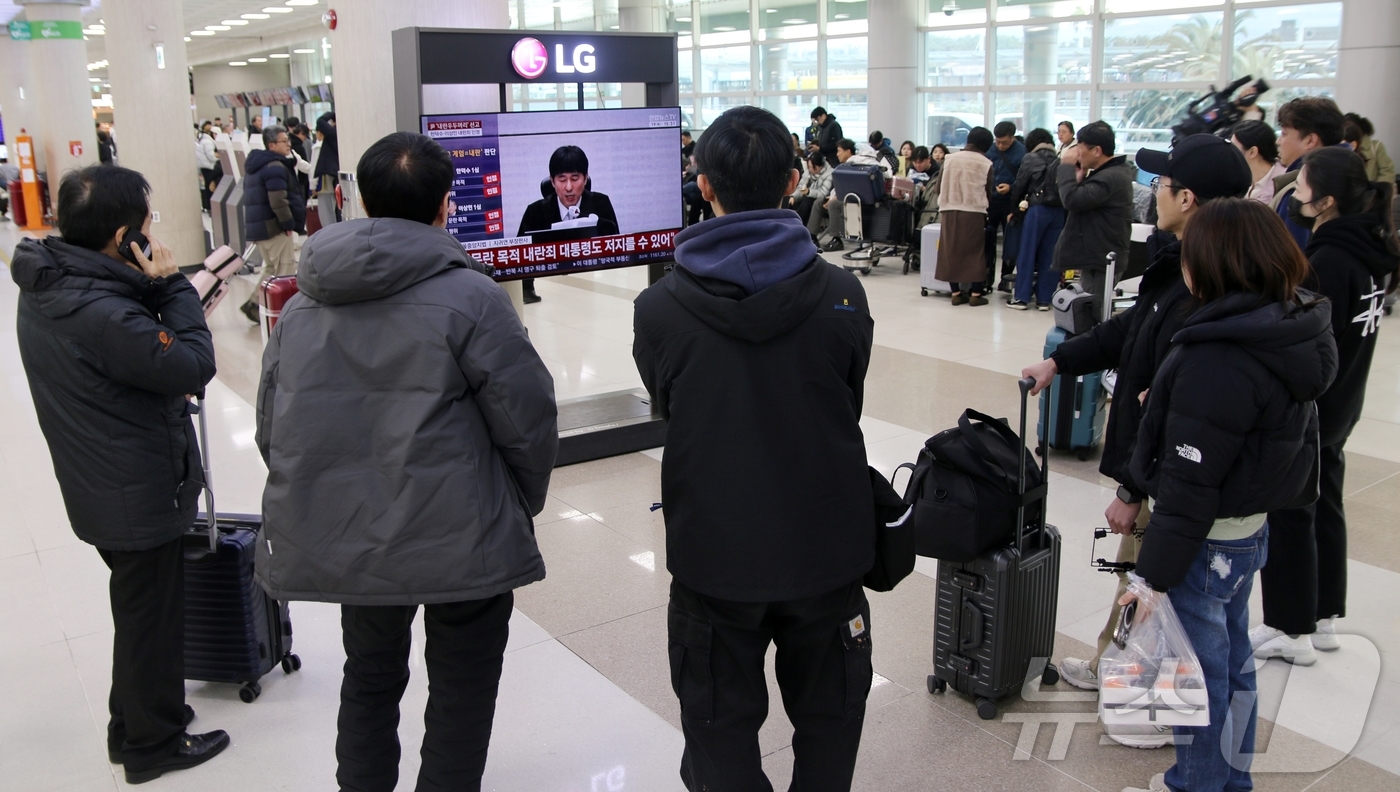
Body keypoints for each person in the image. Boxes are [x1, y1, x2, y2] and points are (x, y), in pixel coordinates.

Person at [254, 131, 556, 792]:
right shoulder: (474, 298)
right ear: (447, 204)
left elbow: (273, 428)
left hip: (353, 534)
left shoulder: (302, 307)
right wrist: (519, 500)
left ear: (362, 202)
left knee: (368, 676)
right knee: (462, 691)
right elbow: (528, 417)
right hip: (463, 531)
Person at [632, 105, 875, 792]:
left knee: (718, 733)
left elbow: (669, 406)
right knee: (830, 724)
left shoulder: (659, 309)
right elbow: (846, 398)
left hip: (715, 554)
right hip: (825, 546)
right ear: (793, 181)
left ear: (703, 185)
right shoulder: (843, 294)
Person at [1024, 135, 1253, 750]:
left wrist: (1131, 488)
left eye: (1163, 183)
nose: (1153, 193)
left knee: (1162, 591)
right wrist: (1060, 361)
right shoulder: (1182, 264)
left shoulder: (1210, 287)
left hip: (1174, 477)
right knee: (1138, 576)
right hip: (1161, 469)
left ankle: (1156, 707)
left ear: (1190, 198)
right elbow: (1132, 329)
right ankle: (1114, 664)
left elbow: (1186, 416)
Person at [11, 165, 225, 784]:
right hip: (134, 487)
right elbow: (192, 365)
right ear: (123, 236)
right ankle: (153, 745)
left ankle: (127, 726)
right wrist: (172, 287)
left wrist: (145, 289)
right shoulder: (104, 314)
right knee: (151, 620)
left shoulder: (50, 281)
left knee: (138, 611)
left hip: (101, 479)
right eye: (147, 222)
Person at [1118, 197, 1337, 792]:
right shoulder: (1289, 327)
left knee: (1198, 674)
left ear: (1216, 264)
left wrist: (1150, 577)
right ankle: (1229, 779)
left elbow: (1190, 484)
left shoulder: (1217, 355)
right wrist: (1174, 405)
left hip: (1204, 541)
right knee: (1234, 663)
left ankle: (1197, 784)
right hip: (1247, 529)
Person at [1251, 147, 1400, 666]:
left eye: (1303, 185)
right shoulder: (1370, 251)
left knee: (1291, 512)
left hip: (1315, 406)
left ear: (1328, 199)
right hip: (1344, 403)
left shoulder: (1328, 261)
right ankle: (1323, 615)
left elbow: (1305, 344)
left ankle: (1290, 628)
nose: (1295, 192)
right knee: (1325, 504)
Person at [517, 144, 620, 304]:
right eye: (562, 179)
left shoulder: (601, 203)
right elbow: (520, 256)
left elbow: (617, 248)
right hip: (550, 292)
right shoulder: (535, 211)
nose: (569, 187)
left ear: (585, 179)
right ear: (552, 181)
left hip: (597, 287)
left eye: (575, 178)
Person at [1055, 120, 1134, 317]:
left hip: (1102, 260)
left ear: (1097, 151)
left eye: (1080, 148)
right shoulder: (1111, 173)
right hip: (1097, 257)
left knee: (1090, 315)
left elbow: (1072, 200)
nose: (1076, 153)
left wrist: (1066, 167)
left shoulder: (1110, 177)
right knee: (1087, 310)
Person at [238, 125, 307, 323]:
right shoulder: (274, 167)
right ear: (272, 145)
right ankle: (283, 313)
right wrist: (288, 224)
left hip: (260, 227)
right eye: (284, 141)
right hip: (275, 227)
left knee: (270, 269)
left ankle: (255, 303)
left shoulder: (256, 165)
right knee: (285, 270)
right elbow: (278, 200)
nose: (288, 144)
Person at [1271, 96, 1346, 249]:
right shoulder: (1351, 172)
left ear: (1310, 140)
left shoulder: (1302, 191)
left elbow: (1290, 255)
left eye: (1284, 133)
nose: (1278, 141)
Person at [935, 126, 996, 305]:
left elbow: (938, 187)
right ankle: (976, 294)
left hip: (949, 209)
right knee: (975, 252)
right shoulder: (985, 163)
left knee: (950, 251)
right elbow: (988, 191)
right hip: (974, 212)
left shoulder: (949, 159)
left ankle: (956, 293)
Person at [1007, 128, 1065, 310]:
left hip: (1037, 209)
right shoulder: (1060, 159)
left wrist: (1015, 210)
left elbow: (1019, 185)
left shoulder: (1030, 158)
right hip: (1059, 210)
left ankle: (1022, 298)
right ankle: (1044, 300)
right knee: (1050, 256)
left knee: (1028, 252)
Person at [820, 138, 893, 252]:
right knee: (829, 202)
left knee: (834, 204)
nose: (837, 154)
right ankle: (836, 239)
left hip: (859, 199)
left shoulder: (853, 163)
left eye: (839, 151)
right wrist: (834, 195)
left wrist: (834, 196)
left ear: (848, 151)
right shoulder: (869, 162)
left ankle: (837, 239)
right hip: (863, 197)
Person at [986, 121, 1026, 292]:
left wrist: (1011, 187)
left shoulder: (1022, 152)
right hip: (991, 201)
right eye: (998, 142)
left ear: (1013, 138)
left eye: (1005, 142)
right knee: (987, 238)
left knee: (1010, 242)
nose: (1001, 145)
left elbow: (1025, 179)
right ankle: (986, 277)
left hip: (1010, 202)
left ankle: (1005, 278)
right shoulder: (990, 149)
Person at [1231, 120, 1286, 204]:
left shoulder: (1281, 185)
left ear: (1252, 152)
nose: (1229, 152)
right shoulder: (1241, 178)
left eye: (1234, 148)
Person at [1343, 112, 1396, 184]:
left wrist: (1378, 189)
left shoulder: (1376, 147)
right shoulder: (1340, 147)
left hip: (1373, 189)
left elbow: (1387, 171)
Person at [793, 151, 834, 241]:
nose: (810, 169)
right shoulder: (808, 172)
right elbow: (801, 187)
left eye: (812, 167)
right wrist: (793, 197)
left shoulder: (829, 174)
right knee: (789, 199)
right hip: (808, 196)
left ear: (819, 166)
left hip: (823, 199)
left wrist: (808, 192)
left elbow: (824, 193)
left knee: (808, 201)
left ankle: (798, 228)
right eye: (809, 167)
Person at [312, 112, 341, 230]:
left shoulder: (333, 132)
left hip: (328, 176)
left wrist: (332, 114)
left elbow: (320, 121)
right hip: (337, 175)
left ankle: (330, 231)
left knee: (326, 208)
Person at [196, 120, 220, 213]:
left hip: (205, 167)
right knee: (210, 188)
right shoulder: (208, 142)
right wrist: (218, 155)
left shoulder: (204, 140)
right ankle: (211, 207)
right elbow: (211, 157)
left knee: (207, 187)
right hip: (209, 168)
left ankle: (209, 207)